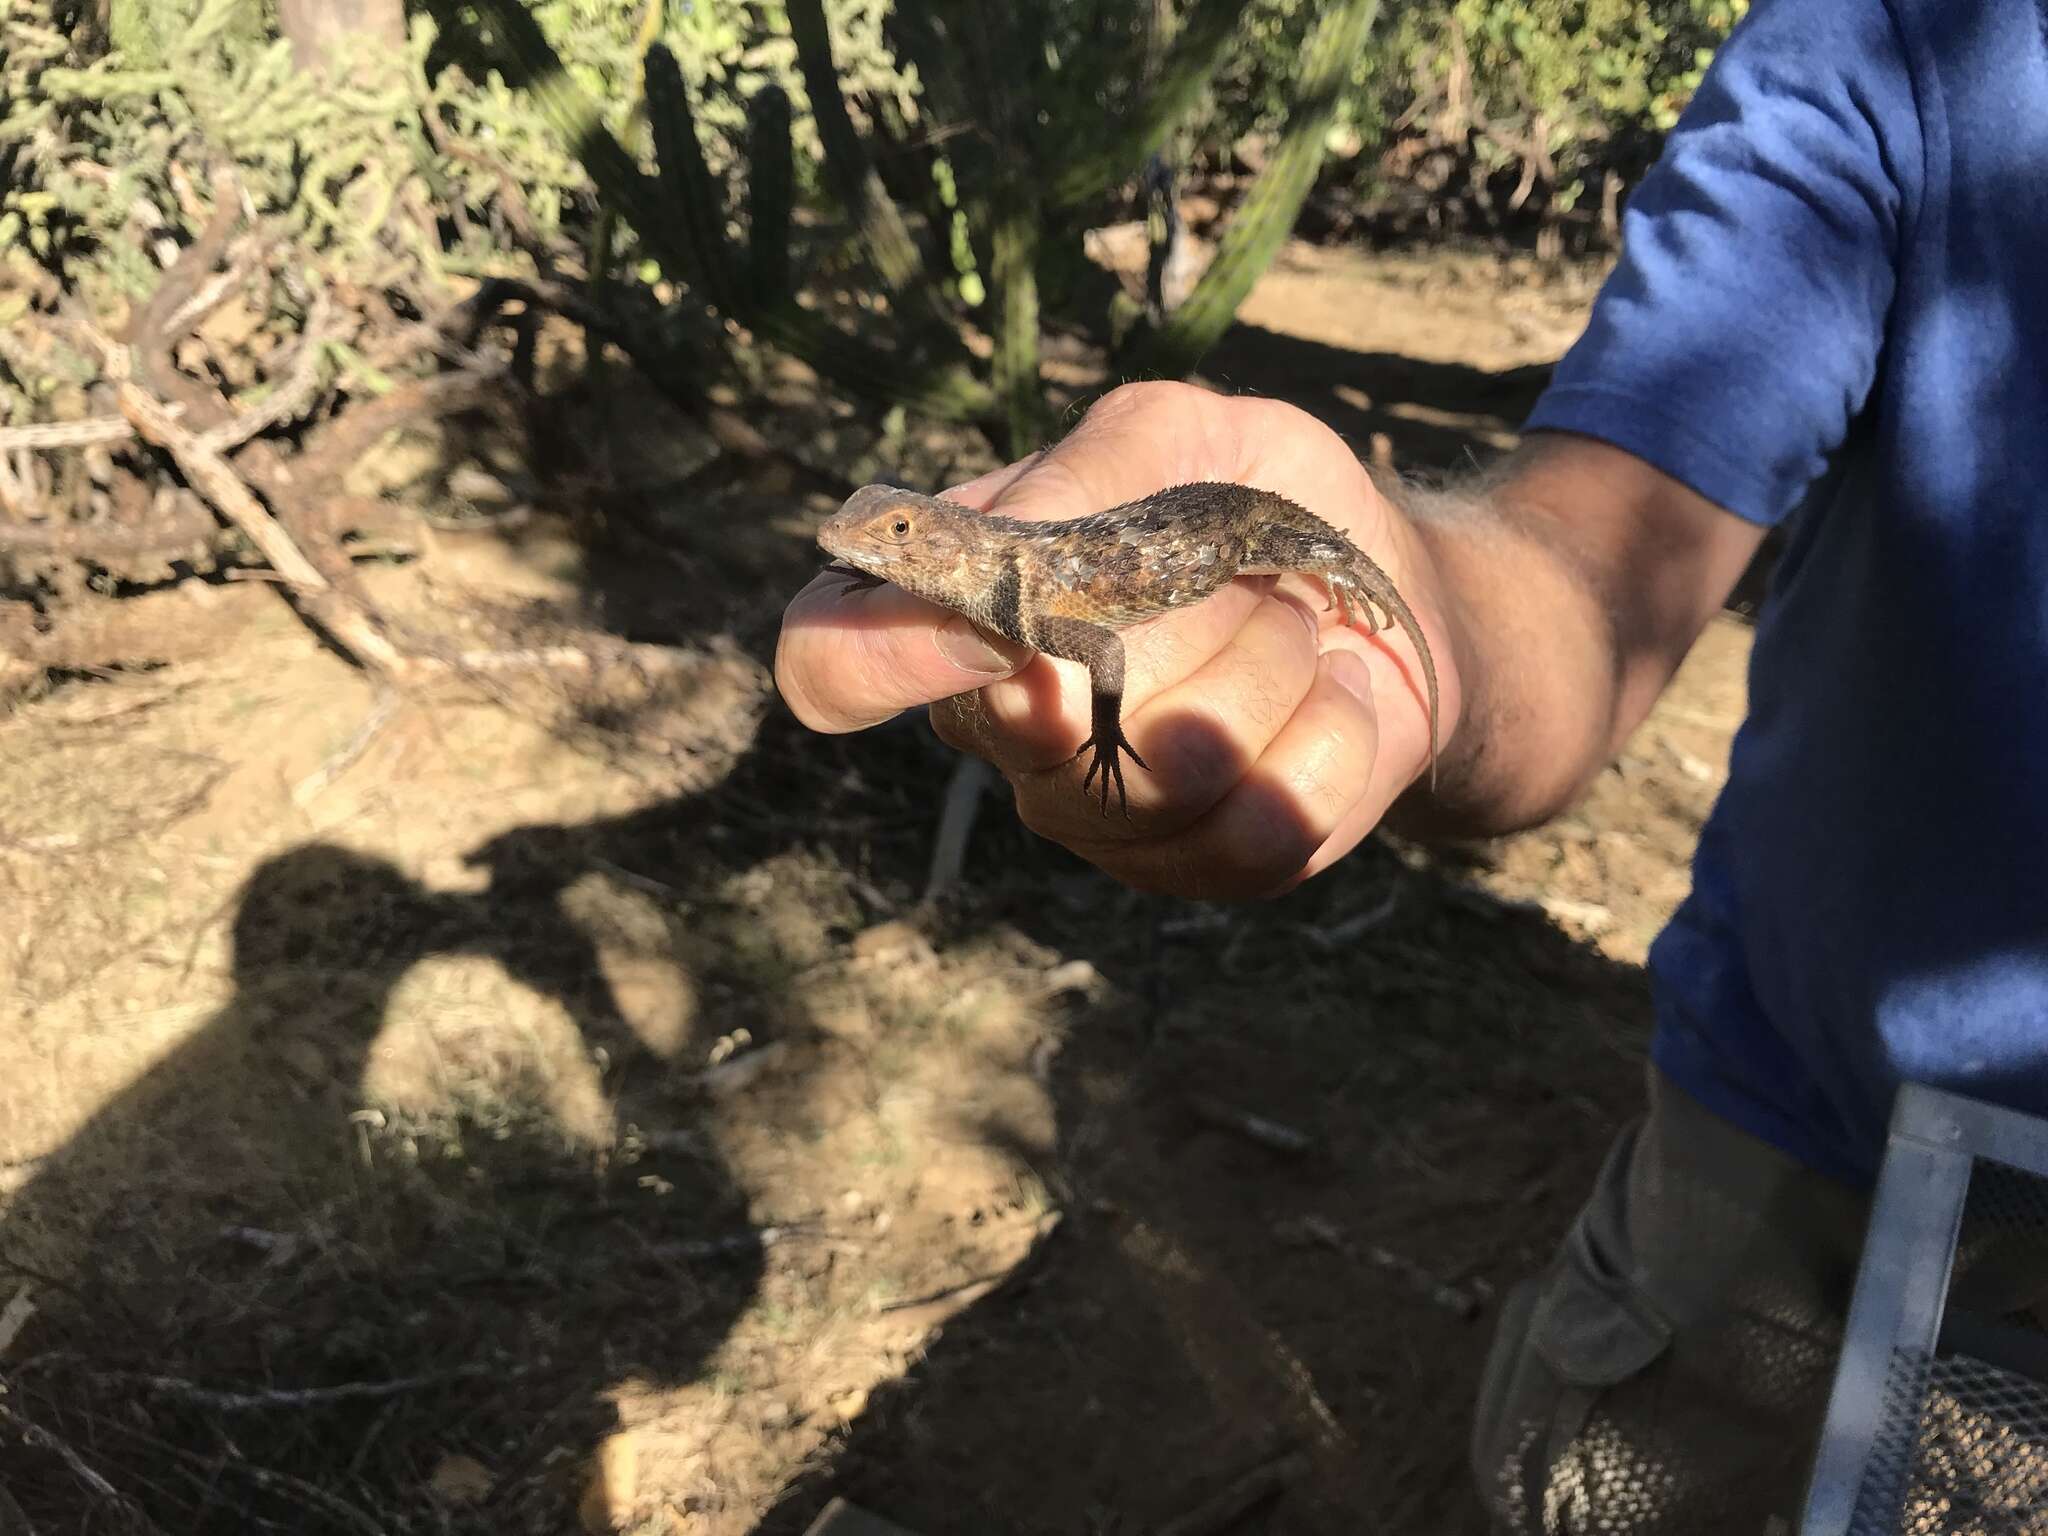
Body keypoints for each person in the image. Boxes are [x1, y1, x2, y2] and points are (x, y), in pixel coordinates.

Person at [776, 0, 2048, 1526]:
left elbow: (1119, 641)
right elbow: (1590, 562)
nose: (868, 546)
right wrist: (1424, 622)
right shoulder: (1901, 42)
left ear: (944, 537)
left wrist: (1210, 651)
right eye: (879, 531)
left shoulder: (1034, 581)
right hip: (1813, 1157)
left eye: (894, 534)